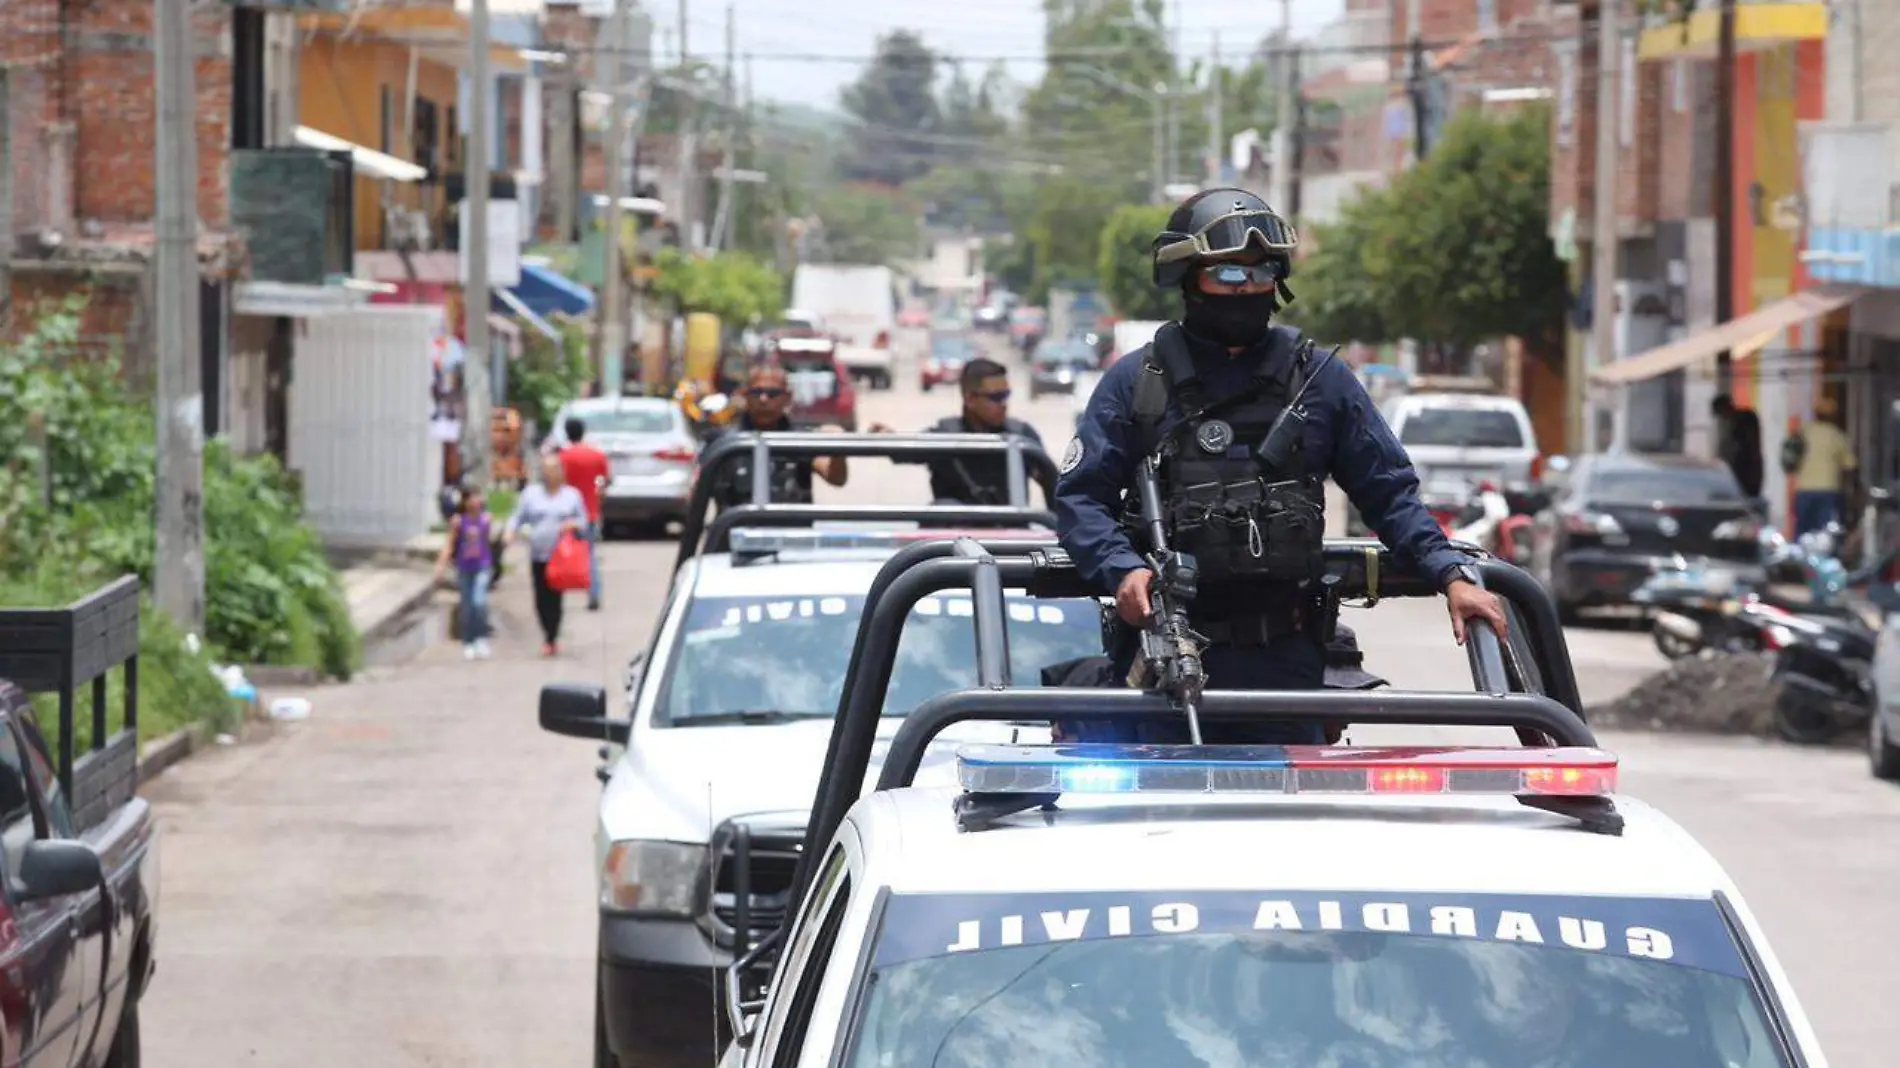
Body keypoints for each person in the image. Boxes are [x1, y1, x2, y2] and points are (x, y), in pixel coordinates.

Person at [1055, 188, 1506, 744]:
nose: (1246, 289)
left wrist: (1449, 573)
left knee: (1289, 821)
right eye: (1228, 276)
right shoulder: (1138, 383)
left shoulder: (1319, 381)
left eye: (1261, 271)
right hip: (1162, 657)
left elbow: (1389, 493)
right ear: (1187, 278)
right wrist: (1122, 569)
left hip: (1285, 665)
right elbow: (1081, 500)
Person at [868, 358, 1045, 505]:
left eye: (1005, 395)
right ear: (969, 399)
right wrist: (886, 437)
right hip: (954, 539)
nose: (1004, 404)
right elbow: (904, 452)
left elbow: (1054, 486)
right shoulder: (946, 437)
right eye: (995, 397)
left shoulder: (1021, 438)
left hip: (1012, 540)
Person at [705, 362, 849, 512]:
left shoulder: (800, 441)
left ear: (787, 397)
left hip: (788, 531)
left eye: (772, 394)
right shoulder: (724, 442)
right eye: (756, 392)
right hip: (735, 531)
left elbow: (836, 478)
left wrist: (837, 448)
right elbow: (698, 492)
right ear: (745, 395)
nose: (763, 399)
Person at [506, 456, 589, 657]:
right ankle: (546, 629)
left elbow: (584, 521)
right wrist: (510, 532)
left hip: (560, 555)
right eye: (545, 469)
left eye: (552, 469)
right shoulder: (531, 495)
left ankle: (551, 637)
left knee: (555, 596)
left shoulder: (571, 496)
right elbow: (517, 517)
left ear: (561, 472)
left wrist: (572, 525)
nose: (548, 473)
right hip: (538, 554)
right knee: (540, 596)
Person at [434, 484, 495, 660]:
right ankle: (469, 641)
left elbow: (491, 543)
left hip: (482, 566)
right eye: (471, 497)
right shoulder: (459, 521)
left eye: (478, 497)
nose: (475, 501)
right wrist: (441, 564)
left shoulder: (486, 520)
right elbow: (450, 544)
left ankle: (482, 638)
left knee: (479, 602)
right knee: (467, 607)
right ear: (465, 501)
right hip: (465, 568)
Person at [557, 416, 610, 612]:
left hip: (567, 516)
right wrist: (598, 503)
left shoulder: (563, 457)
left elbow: (558, 485)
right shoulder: (596, 455)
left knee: (561, 555)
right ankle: (593, 594)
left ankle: (558, 593)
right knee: (590, 556)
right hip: (591, 513)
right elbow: (602, 484)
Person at [1790, 396, 1858, 537]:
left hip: (1804, 490)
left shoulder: (1803, 432)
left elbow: (1791, 458)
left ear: (1816, 414)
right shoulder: (1838, 437)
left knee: (1802, 531)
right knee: (1825, 534)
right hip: (1829, 491)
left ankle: (1799, 558)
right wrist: (1853, 491)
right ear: (1834, 415)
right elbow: (1850, 467)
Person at [1711, 393, 1765, 500]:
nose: (1721, 417)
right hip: (1733, 476)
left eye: (1721, 413)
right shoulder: (1728, 423)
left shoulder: (1744, 419)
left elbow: (1746, 448)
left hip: (1745, 475)